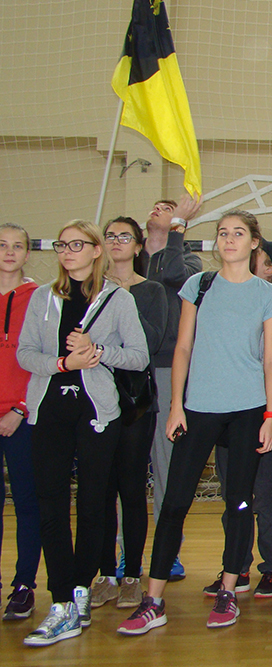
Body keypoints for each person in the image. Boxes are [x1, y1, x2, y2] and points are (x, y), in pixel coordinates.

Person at [117, 210, 272, 634]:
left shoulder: (268, 294)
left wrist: (270, 415)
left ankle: (229, 590)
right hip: (199, 409)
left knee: (239, 502)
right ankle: (153, 600)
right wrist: (177, 404)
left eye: (238, 233)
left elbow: (270, 360)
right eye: (223, 233)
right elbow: (183, 348)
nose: (229, 239)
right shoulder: (199, 284)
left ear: (254, 242)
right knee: (174, 502)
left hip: (248, 410)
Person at [18, 220, 148, 646]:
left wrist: (98, 352)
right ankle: (60, 602)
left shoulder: (118, 299)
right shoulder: (42, 297)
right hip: (48, 412)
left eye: (78, 244)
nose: (68, 251)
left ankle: (79, 589)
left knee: (93, 504)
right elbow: (25, 354)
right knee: (50, 504)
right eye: (62, 245)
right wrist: (61, 364)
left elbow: (138, 356)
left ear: (96, 251)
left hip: (97, 414)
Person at [202, 240, 272, 600]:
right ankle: (236, 565)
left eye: (260, 258)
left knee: (263, 489)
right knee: (233, 491)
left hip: (269, 405)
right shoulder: (232, 296)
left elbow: (260, 356)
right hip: (230, 404)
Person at [91, 218, 167, 611]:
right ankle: (105, 574)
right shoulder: (90, 291)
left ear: (138, 246)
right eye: (110, 236)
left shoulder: (151, 290)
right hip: (93, 400)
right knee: (99, 490)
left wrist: (122, 302)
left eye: (125, 236)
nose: (117, 242)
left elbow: (150, 341)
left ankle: (133, 575)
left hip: (135, 402)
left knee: (132, 489)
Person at [145, 195, 203, 583]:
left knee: (166, 468)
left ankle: (169, 552)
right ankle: (123, 550)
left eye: (169, 207)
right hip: (123, 372)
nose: (160, 209)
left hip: (167, 371)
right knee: (124, 470)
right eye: (157, 206)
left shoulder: (191, 263)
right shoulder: (129, 257)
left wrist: (177, 228)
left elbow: (171, 276)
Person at [0, 223, 40, 621]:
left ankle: (24, 585)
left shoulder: (39, 298)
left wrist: (21, 409)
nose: (9, 252)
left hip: (23, 419)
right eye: (2, 245)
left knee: (28, 502)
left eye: (17, 246)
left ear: (28, 254)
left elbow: (44, 360)